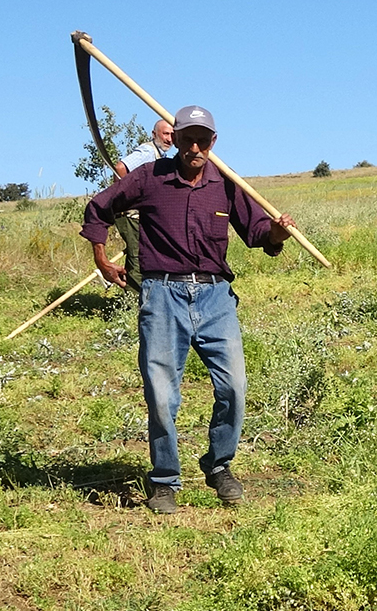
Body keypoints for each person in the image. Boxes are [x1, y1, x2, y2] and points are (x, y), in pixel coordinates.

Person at [81, 105, 295, 514]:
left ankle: (218, 466)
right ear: (174, 139)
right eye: (187, 138)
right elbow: (99, 208)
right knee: (161, 395)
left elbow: (257, 233)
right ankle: (164, 481)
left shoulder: (227, 184)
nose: (194, 147)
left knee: (234, 387)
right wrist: (101, 258)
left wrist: (277, 231)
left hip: (216, 298)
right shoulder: (149, 177)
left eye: (202, 139)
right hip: (162, 297)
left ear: (213, 142)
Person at [112, 120, 175, 291]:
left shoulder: (161, 156)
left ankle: (131, 297)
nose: (169, 139)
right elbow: (120, 168)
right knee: (138, 257)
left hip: (139, 215)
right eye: (165, 134)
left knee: (139, 254)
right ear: (154, 134)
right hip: (130, 214)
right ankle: (134, 301)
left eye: (172, 135)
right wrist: (123, 200)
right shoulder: (148, 151)